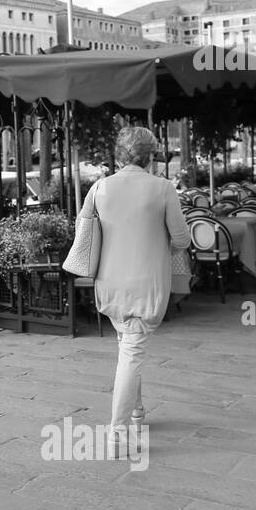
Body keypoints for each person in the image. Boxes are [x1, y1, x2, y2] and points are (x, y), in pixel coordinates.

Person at [90, 126, 191, 449]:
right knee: (131, 353)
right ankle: (117, 433)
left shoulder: (100, 188)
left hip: (108, 283)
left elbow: (87, 235)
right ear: (150, 156)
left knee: (127, 346)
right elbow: (182, 239)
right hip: (145, 285)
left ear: (118, 154)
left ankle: (136, 411)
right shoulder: (162, 188)